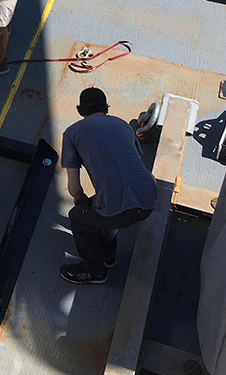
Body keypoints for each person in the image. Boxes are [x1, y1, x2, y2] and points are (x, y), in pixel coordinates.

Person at [59, 87, 157, 284]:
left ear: (80, 111)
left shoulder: (72, 133)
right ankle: (108, 256)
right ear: (106, 108)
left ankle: (94, 272)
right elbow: (134, 163)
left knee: (79, 218)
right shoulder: (123, 126)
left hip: (117, 209)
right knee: (107, 207)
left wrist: (82, 205)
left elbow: (74, 189)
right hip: (148, 200)